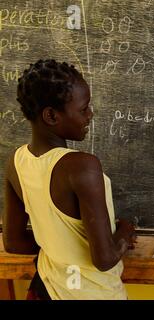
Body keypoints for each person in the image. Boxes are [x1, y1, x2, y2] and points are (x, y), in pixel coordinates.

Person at [2, 59, 137, 300]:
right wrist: (126, 230)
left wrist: (61, 249)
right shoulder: (82, 166)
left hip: (46, 289)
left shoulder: (16, 161)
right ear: (52, 116)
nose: (90, 114)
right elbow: (105, 259)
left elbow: (13, 242)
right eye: (83, 109)